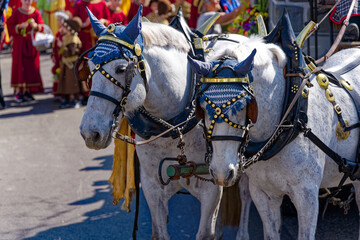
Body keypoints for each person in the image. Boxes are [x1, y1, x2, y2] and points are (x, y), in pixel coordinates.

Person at [7, 0, 44, 102]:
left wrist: (35, 26)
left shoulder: (35, 12)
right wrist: (19, 26)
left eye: (29, 0)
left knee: (30, 67)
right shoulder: (16, 12)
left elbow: (41, 26)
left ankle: (28, 90)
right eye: (26, 0)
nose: (28, 2)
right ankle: (19, 91)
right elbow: (9, 26)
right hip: (19, 44)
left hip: (31, 44)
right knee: (20, 66)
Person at [56, 16, 83, 108]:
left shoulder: (73, 39)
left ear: (68, 28)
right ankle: (67, 99)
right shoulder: (66, 37)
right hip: (66, 63)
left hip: (72, 64)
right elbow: (63, 52)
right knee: (66, 82)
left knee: (73, 82)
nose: (62, 28)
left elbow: (71, 52)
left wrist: (62, 47)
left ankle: (76, 99)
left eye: (64, 27)